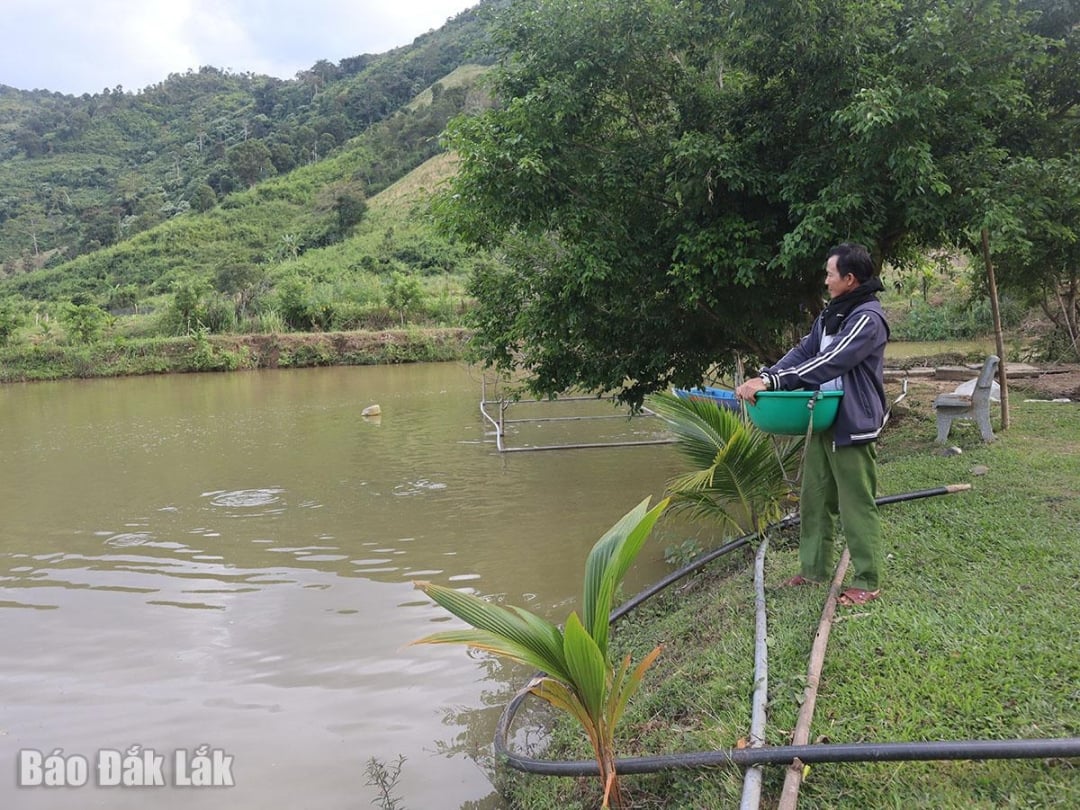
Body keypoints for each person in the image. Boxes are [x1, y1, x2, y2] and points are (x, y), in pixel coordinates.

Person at [735, 242, 890, 606]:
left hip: (851, 422)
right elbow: (805, 351)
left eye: (830, 274)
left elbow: (832, 360)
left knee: (855, 503)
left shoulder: (868, 318)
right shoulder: (832, 315)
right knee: (815, 498)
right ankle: (813, 569)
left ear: (849, 279)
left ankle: (867, 579)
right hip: (820, 416)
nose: (825, 280)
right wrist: (767, 375)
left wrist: (776, 382)